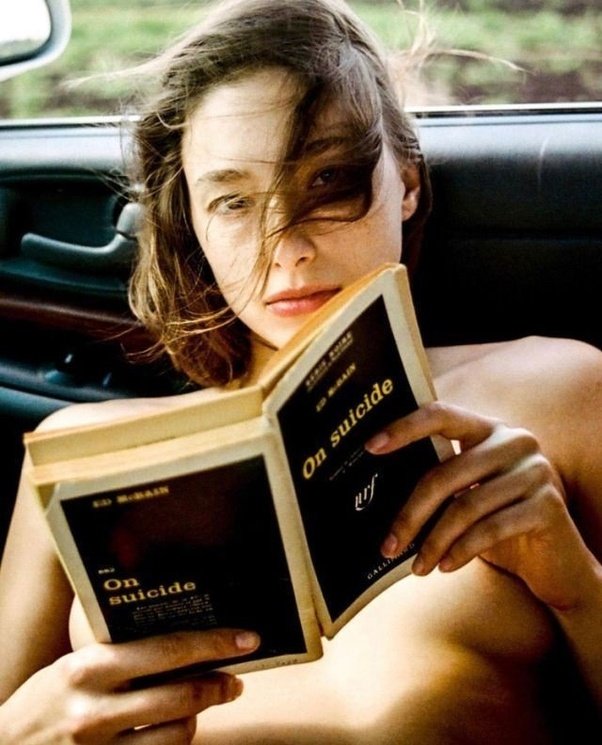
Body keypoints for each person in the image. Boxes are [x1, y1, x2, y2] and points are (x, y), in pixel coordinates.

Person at [1, 0, 601, 742]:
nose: (285, 245)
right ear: (193, 222)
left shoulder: (554, 390)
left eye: (328, 182)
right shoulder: (78, 456)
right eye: (234, 201)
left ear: (407, 181)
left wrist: (578, 587)